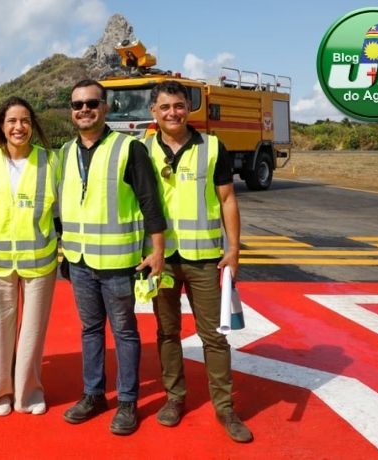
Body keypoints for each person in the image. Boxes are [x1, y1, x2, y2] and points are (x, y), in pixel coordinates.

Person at [144, 80, 251, 443]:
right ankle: (175, 398)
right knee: (167, 332)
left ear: (188, 108)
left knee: (214, 337)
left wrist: (233, 249)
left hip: (206, 259)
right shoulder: (142, 150)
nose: (172, 112)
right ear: (153, 112)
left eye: (178, 105)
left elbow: (228, 200)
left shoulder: (212, 147)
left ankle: (225, 407)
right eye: (164, 107)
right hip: (162, 260)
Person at [59, 79, 166, 435]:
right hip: (79, 261)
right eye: (78, 105)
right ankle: (93, 395)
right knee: (90, 330)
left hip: (119, 263)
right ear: (72, 112)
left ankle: (127, 402)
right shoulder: (64, 152)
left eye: (92, 103)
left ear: (105, 107)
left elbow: (151, 202)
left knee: (124, 331)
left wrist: (157, 252)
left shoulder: (129, 148)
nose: (84, 109)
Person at [0, 97, 58, 417]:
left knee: (32, 330)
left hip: (40, 259)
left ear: (33, 125)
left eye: (25, 120)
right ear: (1, 125)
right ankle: (0, 393)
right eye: (12, 121)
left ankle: (28, 393)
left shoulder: (51, 161)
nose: (19, 127)